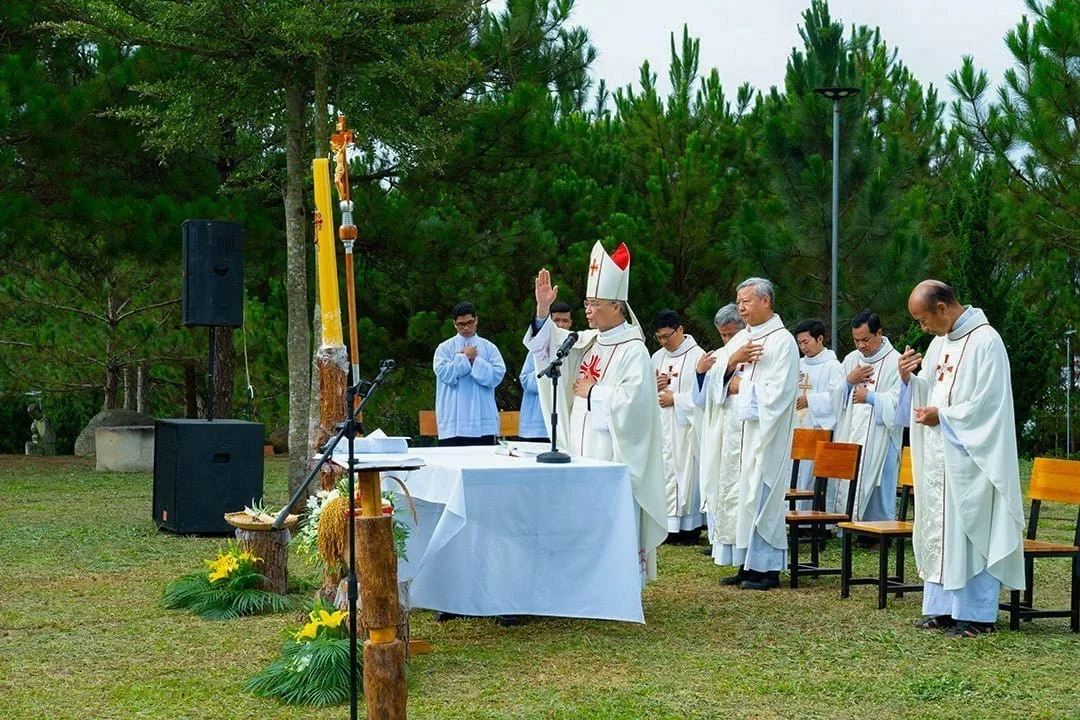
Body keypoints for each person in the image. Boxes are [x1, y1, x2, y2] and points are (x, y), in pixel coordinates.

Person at [524, 242, 667, 582]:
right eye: (587, 303)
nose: (587, 310)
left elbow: (636, 405)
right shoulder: (586, 342)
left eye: (594, 304)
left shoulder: (634, 349)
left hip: (613, 452)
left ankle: (619, 581)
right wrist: (542, 311)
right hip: (581, 448)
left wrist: (594, 393)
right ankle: (586, 580)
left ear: (617, 306)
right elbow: (546, 346)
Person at [897, 280, 1024, 638]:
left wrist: (946, 417)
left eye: (923, 320)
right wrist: (909, 380)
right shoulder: (940, 343)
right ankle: (942, 608)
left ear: (941, 308)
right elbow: (931, 389)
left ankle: (977, 614)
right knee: (941, 529)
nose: (922, 328)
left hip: (973, 459)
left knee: (970, 532)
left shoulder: (987, 341)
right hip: (941, 457)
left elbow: (990, 405)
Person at [694, 279, 798, 590]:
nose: (741, 307)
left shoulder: (783, 342)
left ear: (766, 302)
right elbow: (715, 376)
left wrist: (742, 387)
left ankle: (766, 569)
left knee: (759, 496)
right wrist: (732, 364)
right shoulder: (741, 338)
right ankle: (744, 563)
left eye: (747, 301)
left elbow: (781, 394)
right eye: (739, 301)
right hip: (735, 434)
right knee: (738, 498)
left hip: (763, 435)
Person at [830, 310, 903, 523]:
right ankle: (850, 522)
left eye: (865, 339)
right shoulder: (852, 360)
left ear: (879, 333)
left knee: (880, 483)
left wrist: (870, 397)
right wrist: (848, 381)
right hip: (852, 431)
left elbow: (899, 401)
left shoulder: (894, 361)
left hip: (881, 436)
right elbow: (834, 398)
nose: (861, 345)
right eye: (856, 340)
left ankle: (877, 530)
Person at [650, 309, 706, 541]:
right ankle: (667, 525)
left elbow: (705, 397)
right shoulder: (656, 357)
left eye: (667, 336)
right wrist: (652, 387)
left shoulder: (697, 356)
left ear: (680, 329)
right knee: (664, 473)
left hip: (686, 429)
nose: (664, 342)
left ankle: (688, 527)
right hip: (662, 427)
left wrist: (677, 399)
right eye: (659, 337)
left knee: (686, 474)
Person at [694, 304, 744, 558]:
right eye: (722, 335)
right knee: (717, 481)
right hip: (719, 429)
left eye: (730, 334)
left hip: (744, 430)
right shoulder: (722, 355)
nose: (726, 340)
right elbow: (702, 399)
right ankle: (719, 539)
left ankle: (738, 546)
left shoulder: (753, 349)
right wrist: (701, 373)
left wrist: (740, 385)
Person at [432, 301, 506, 446]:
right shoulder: (444, 348)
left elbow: (496, 376)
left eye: (470, 322)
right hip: (454, 422)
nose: (466, 327)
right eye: (461, 324)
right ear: (454, 324)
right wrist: (464, 358)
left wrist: (475, 361)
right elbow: (444, 374)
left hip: (483, 421)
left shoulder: (489, 348)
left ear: (476, 320)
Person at [791, 318, 845, 509]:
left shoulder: (833, 366)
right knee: (794, 476)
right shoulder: (796, 364)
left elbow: (837, 399)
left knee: (812, 476)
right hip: (797, 428)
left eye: (806, 342)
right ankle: (794, 515)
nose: (802, 347)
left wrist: (811, 400)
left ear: (820, 339)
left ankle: (813, 519)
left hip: (819, 430)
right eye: (799, 343)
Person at [518, 301, 573, 441]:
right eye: (556, 321)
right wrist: (549, 376)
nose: (560, 324)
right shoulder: (538, 348)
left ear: (570, 323)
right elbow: (525, 379)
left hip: (564, 425)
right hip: (536, 425)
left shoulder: (576, 348)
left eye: (565, 321)